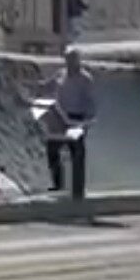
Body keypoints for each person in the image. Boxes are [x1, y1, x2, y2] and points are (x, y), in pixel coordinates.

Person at [46, 46, 97, 197]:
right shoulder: (61, 74)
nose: (69, 63)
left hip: (77, 117)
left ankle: (78, 189)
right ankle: (58, 184)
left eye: (72, 60)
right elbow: (49, 85)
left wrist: (87, 121)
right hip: (60, 117)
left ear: (78, 61)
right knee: (52, 149)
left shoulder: (85, 79)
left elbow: (90, 100)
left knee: (77, 152)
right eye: (67, 60)